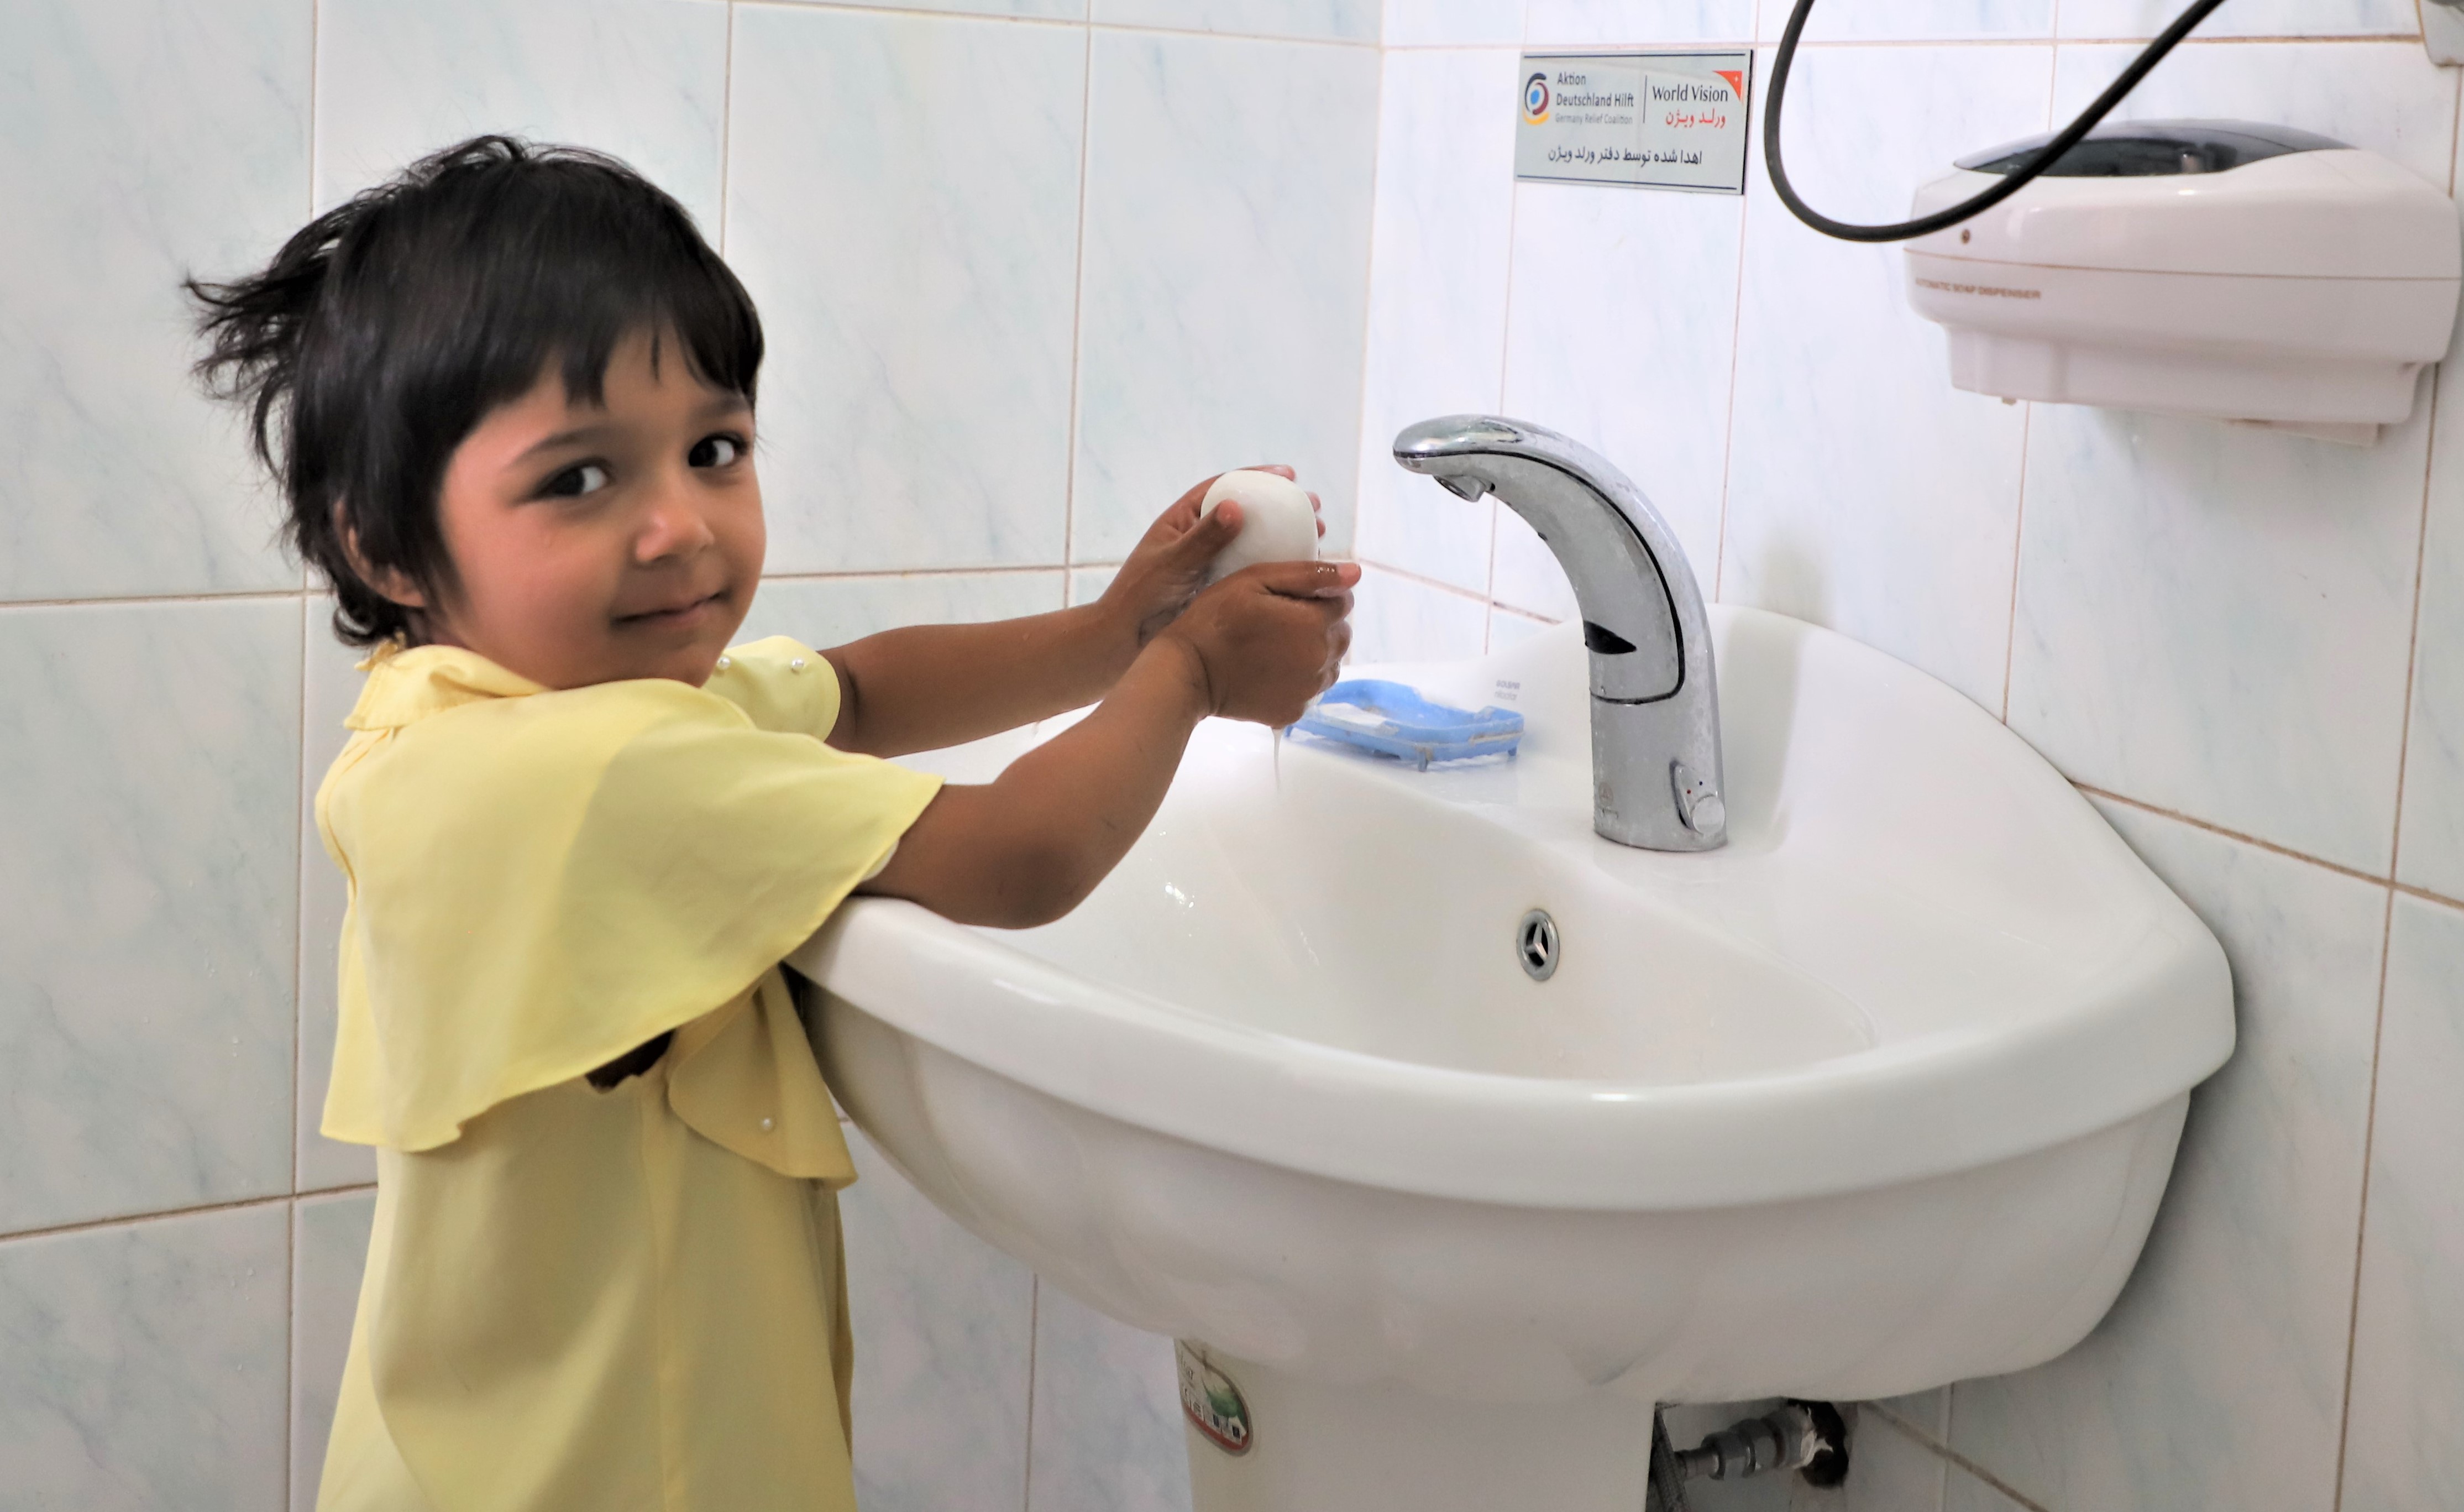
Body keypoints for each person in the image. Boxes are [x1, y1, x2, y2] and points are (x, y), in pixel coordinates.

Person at [188, 134, 1354, 1511]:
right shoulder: (601, 769)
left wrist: (1115, 632)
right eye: (579, 479)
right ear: (381, 546)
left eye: (714, 448)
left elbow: (852, 691)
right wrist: (1193, 673)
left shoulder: (469, 710)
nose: (679, 524)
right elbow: (1019, 858)